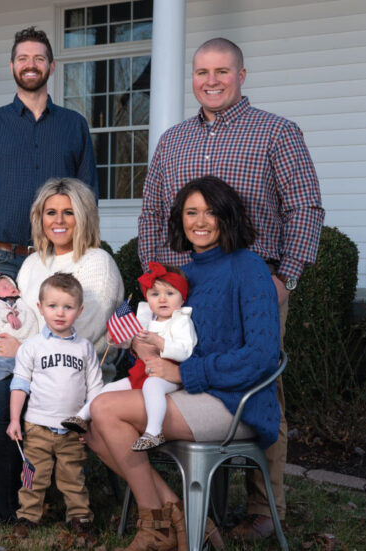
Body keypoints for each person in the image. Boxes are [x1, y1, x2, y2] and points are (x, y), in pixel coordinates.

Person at [137, 37, 323, 539]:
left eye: (222, 71)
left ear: (242, 75)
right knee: (178, 378)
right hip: (181, 292)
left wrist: (286, 277)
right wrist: (157, 280)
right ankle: (202, 503)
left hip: (249, 285)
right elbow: (154, 212)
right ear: (192, 77)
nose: (211, 81)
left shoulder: (277, 133)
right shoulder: (173, 140)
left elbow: (304, 207)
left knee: (259, 386)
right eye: (202, 72)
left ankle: (264, 506)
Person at [90, 175, 279, 551]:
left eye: (211, 212)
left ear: (229, 217)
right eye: (191, 212)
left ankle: (155, 527)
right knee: (92, 429)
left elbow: (261, 355)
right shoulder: (183, 277)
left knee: (104, 410)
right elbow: (173, 341)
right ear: (180, 220)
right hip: (187, 392)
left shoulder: (250, 268)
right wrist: (143, 350)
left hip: (234, 400)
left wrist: (184, 372)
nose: (200, 221)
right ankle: (182, 516)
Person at [0, 177, 123, 524]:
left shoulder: (97, 263)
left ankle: (5, 507)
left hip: (68, 374)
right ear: (39, 218)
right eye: (50, 212)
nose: (58, 221)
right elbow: (21, 313)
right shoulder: (34, 263)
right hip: (26, 363)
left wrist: (21, 349)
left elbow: (83, 332)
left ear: (84, 217)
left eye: (68, 213)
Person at [0, 26, 97, 281]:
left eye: (39, 58)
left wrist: (84, 254)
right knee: (4, 323)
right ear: (12, 66)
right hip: (2, 260)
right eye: (23, 58)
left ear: (52, 66)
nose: (30, 65)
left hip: (60, 257)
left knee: (60, 323)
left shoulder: (74, 124)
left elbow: (89, 197)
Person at [63, 262, 196, 454]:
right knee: (109, 387)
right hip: (142, 372)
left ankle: (154, 431)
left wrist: (158, 341)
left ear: (182, 297)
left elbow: (185, 351)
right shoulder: (147, 318)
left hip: (167, 376)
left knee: (153, 386)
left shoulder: (181, 321)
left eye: (170, 293)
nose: (162, 300)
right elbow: (131, 340)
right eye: (155, 294)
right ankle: (81, 417)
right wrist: (116, 339)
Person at [5, 273, 103, 536]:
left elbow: (95, 391)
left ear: (79, 310)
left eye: (68, 307)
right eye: (52, 306)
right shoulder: (32, 347)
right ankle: (26, 516)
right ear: (40, 308)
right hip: (37, 427)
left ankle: (80, 517)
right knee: (32, 475)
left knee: (73, 477)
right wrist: (15, 419)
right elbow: (20, 385)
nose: (60, 313)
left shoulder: (85, 348)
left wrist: (89, 424)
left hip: (73, 429)